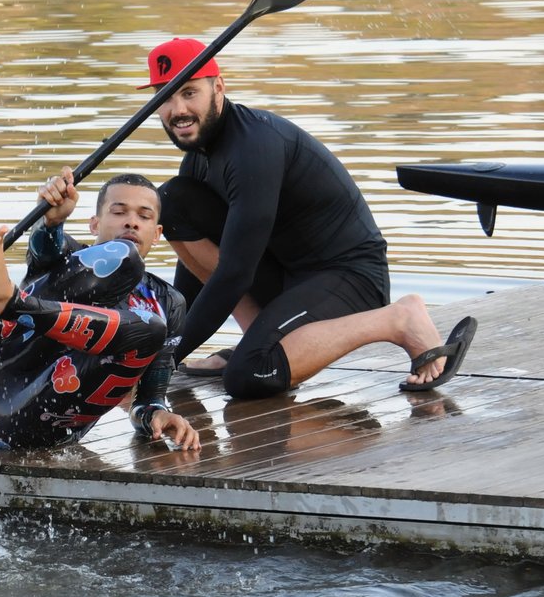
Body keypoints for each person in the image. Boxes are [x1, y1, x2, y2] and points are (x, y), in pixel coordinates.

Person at [139, 37, 477, 398]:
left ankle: (399, 318)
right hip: (289, 277)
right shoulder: (198, 156)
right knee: (171, 201)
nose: (177, 110)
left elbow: (234, 273)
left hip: (348, 277)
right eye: (165, 96)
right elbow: (194, 273)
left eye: (189, 93)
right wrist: (168, 350)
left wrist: (162, 361)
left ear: (218, 88)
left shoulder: (253, 147)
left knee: (250, 375)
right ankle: (258, 336)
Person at [0, 167, 201, 451]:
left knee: (150, 327)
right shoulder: (64, 258)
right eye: (119, 212)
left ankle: (4, 305)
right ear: (94, 224)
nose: (131, 223)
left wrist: (158, 414)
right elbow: (45, 250)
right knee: (122, 258)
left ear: (156, 234)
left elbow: (148, 399)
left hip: (39, 422)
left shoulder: (167, 302)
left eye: (143, 216)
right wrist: (52, 223)